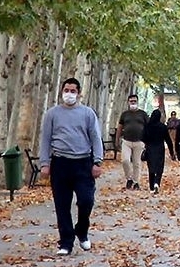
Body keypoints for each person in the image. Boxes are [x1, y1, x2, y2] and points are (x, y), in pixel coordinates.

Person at [39, 78, 104, 255]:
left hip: (83, 163)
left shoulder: (87, 113)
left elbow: (95, 138)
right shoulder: (52, 114)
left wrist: (97, 161)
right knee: (62, 205)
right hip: (60, 163)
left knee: (86, 200)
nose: (69, 94)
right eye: (66, 90)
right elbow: (45, 139)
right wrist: (44, 164)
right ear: (61, 92)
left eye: (73, 91)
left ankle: (82, 230)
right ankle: (66, 242)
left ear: (79, 93)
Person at [116, 94, 148, 191]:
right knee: (125, 160)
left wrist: (147, 140)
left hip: (139, 141)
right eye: (131, 101)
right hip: (126, 141)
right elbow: (120, 127)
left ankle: (136, 182)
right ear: (128, 102)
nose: (133, 103)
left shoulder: (143, 114)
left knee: (137, 163)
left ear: (137, 102)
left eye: (134, 101)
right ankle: (129, 178)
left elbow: (148, 127)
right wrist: (117, 139)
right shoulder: (125, 114)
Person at [142, 109, 177, 193]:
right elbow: (168, 140)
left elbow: (143, 137)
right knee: (159, 167)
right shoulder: (163, 127)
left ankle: (151, 187)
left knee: (151, 167)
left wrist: (146, 144)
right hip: (160, 148)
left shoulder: (147, 126)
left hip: (150, 148)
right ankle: (157, 183)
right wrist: (172, 152)